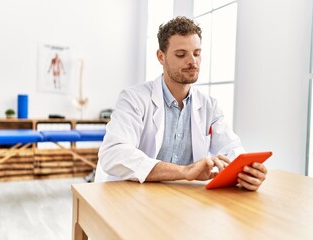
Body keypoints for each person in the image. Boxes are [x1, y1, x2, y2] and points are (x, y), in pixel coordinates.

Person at [95, 16, 267, 191]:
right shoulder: (133, 98)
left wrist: (248, 171)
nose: (192, 61)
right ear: (161, 57)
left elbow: (232, 148)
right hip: (133, 195)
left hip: (183, 199)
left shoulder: (210, 106)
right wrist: (185, 171)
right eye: (181, 54)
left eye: (197, 53)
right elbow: (113, 153)